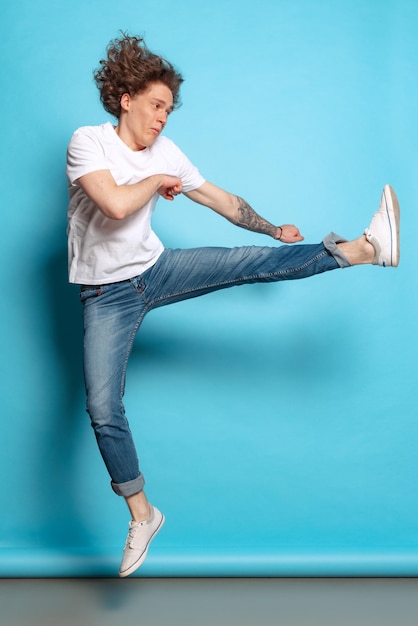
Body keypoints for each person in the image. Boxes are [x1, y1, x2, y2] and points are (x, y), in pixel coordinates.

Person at [66, 33, 400, 578]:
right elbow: (115, 202)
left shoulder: (167, 153)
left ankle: (366, 248)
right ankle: (143, 514)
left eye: (169, 111)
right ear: (126, 98)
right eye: (156, 106)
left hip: (154, 270)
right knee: (103, 409)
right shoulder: (88, 142)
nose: (162, 120)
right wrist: (155, 181)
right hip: (106, 297)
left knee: (250, 259)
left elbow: (221, 200)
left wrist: (273, 228)